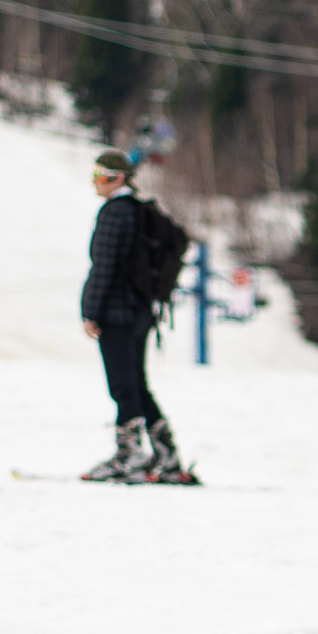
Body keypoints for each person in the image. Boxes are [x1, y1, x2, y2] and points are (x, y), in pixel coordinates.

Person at [79, 149, 189, 484]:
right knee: (137, 385)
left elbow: (104, 266)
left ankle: (129, 458)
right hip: (141, 310)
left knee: (122, 386)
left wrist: (90, 311)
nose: (96, 181)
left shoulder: (114, 213)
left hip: (117, 312)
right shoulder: (140, 211)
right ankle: (166, 458)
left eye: (103, 175)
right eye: (95, 174)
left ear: (119, 178)